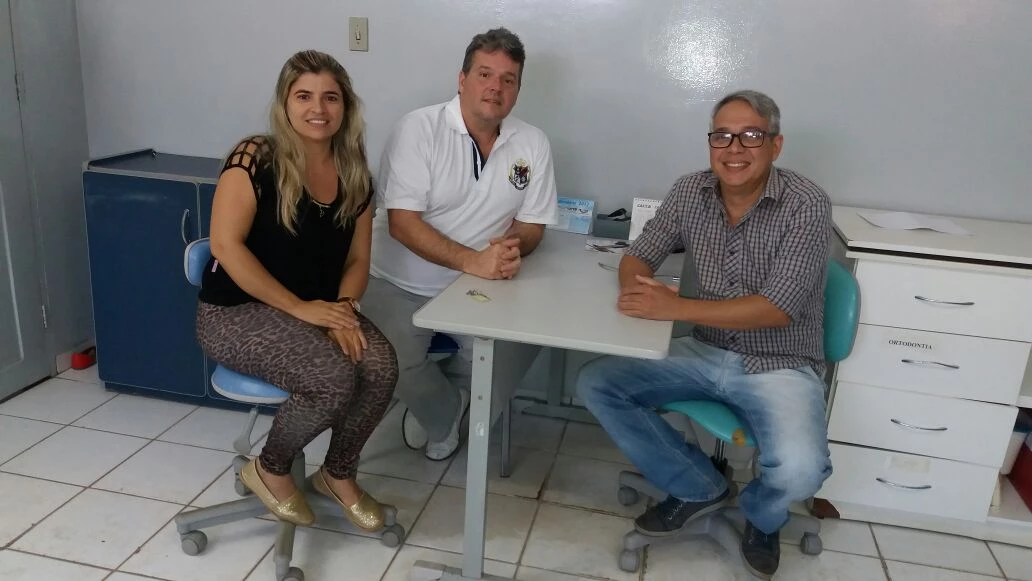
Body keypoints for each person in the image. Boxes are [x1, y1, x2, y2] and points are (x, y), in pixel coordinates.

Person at [576, 90, 832, 579]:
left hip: (779, 362)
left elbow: (778, 308)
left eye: (750, 135)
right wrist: (636, 289)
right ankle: (698, 487)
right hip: (705, 349)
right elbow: (640, 253)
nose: (734, 149)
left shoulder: (806, 204)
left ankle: (762, 518)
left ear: (775, 145)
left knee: (800, 471)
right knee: (597, 382)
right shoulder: (690, 190)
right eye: (722, 136)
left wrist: (674, 307)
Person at [196, 50, 397, 531]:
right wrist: (301, 309)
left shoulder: (355, 174)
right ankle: (270, 468)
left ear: (346, 106)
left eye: (331, 97)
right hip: (234, 313)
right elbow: (225, 245)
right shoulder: (255, 157)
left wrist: (344, 309)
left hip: (316, 308)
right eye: (303, 96)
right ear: (284, 103)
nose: (318, 109)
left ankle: (337, 474)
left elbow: (358, 260)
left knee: (381, 366)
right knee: (333, 378)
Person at [362, 27, 558, 461]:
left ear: (518, 89)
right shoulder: (418, 129)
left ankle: (452, 403)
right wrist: (473, 261)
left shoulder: (533, 142)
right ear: (462, 79)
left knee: (508, 354)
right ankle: (446, 413)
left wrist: (510, 249)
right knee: (391, 362)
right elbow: (402, 225)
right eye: (485, 74)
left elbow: (532, 225)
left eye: (508, 79)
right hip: (398, 280)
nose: (496, 87)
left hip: (479, 284)